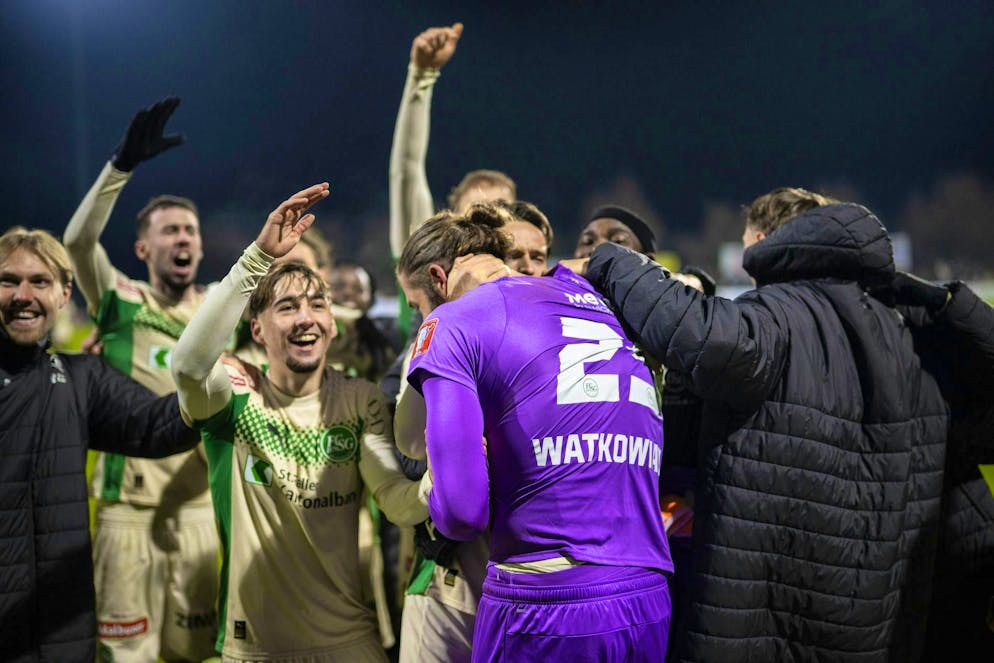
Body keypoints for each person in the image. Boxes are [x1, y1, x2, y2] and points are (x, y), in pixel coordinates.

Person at [565, 187, 980, 662]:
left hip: (782, 603)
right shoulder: (908, 328)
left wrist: (613, 263)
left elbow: (705, 339)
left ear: (762, 239)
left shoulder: (776, 316)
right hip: (880, 608)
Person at [397, 204, 673, 662]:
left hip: (547, 602)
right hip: (647, 592)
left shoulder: (454, 322)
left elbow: (462, 515)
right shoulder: (587, 292)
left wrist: (449, 479)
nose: (419, 317)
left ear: (438, 280)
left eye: (415, 305)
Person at [170, 182, 431, 662]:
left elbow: (397, 503)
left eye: (316, 305)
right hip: (254, 649)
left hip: (350, 643)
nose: (304, 318)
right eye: (286, 307)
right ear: (257, 328)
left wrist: (439, 479)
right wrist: (256, 259)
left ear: (333, 323)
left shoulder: (360, 401)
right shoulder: (236, 392)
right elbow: (187, 365)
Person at [61, 97, 219, 662]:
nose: (183, 239)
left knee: (194, 653)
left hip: (198, 509)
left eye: (190, 231)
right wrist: (119, 167)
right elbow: (77, 243)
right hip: (126, 512)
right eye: (170, 231)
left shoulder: (220, 315)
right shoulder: (120, 301)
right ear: (142, 249)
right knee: (127, 655)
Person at [0, 227, 200, 663]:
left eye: (40, 281)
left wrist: (210, 390)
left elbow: (155, 425)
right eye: (8, 280)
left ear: (63, 293)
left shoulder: (79, 378)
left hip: (64, 629)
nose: (22, 294)